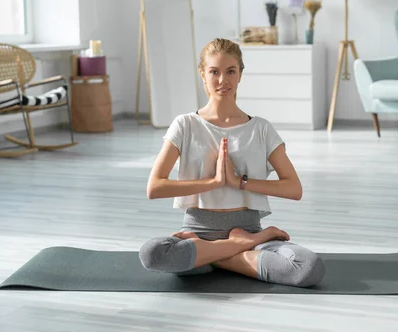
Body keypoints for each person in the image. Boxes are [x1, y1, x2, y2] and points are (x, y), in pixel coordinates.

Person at [139, 38, 326, 288]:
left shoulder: (260, 128)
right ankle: (236, 248)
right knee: (152, 253)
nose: (222, 80)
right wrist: (213, 182)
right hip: (200, 230)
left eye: (230, 71)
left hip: (243, 232)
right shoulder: (185, 125)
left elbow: (294, 188)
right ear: (202, 74)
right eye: (214, 72)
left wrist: (240, 183)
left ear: (240, 75)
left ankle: (211, 256)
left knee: (307, 268)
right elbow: (155, 187)